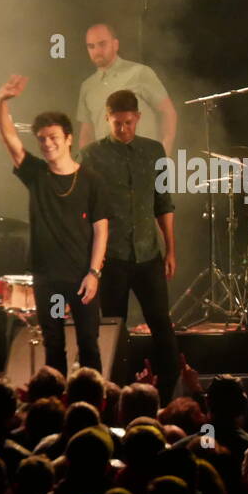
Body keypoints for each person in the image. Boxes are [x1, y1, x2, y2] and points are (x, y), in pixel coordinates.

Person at [0, 74, 109, 374]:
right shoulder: (36, 174)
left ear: (68, 139)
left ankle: (95, 405)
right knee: (54, 345)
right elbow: (10, 139)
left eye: (53, 137)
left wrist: (94, 272)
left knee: (88, 343)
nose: (47, 144)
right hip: (49, 280)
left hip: (82, 278)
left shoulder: (90, 181)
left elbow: (101, 229)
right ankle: (56, 409)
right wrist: (1, 101)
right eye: (42, 139)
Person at [78, 89, 181, 400]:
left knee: (162, 325)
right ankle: (116, 396)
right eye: (116, 123)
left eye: (128, 123)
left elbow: (163, 203)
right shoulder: (93, 154)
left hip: (148, 252)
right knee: (115, 329)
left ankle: (168, 394)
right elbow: (86, 209)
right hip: (113, 256)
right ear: (107, 119)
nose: (123, 129)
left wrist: (171, 249)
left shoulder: (154, 152)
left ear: (137, 118)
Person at [75, 22, 177, 154]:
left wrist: (164, 155)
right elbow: (86, 133)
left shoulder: (139, 73)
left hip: (142, 161)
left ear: (115, 44)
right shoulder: (87, 86)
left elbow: (168, 112)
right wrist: (87, 166)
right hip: (107, 167)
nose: (97, 51)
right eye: (91, 46)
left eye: (102, 44)